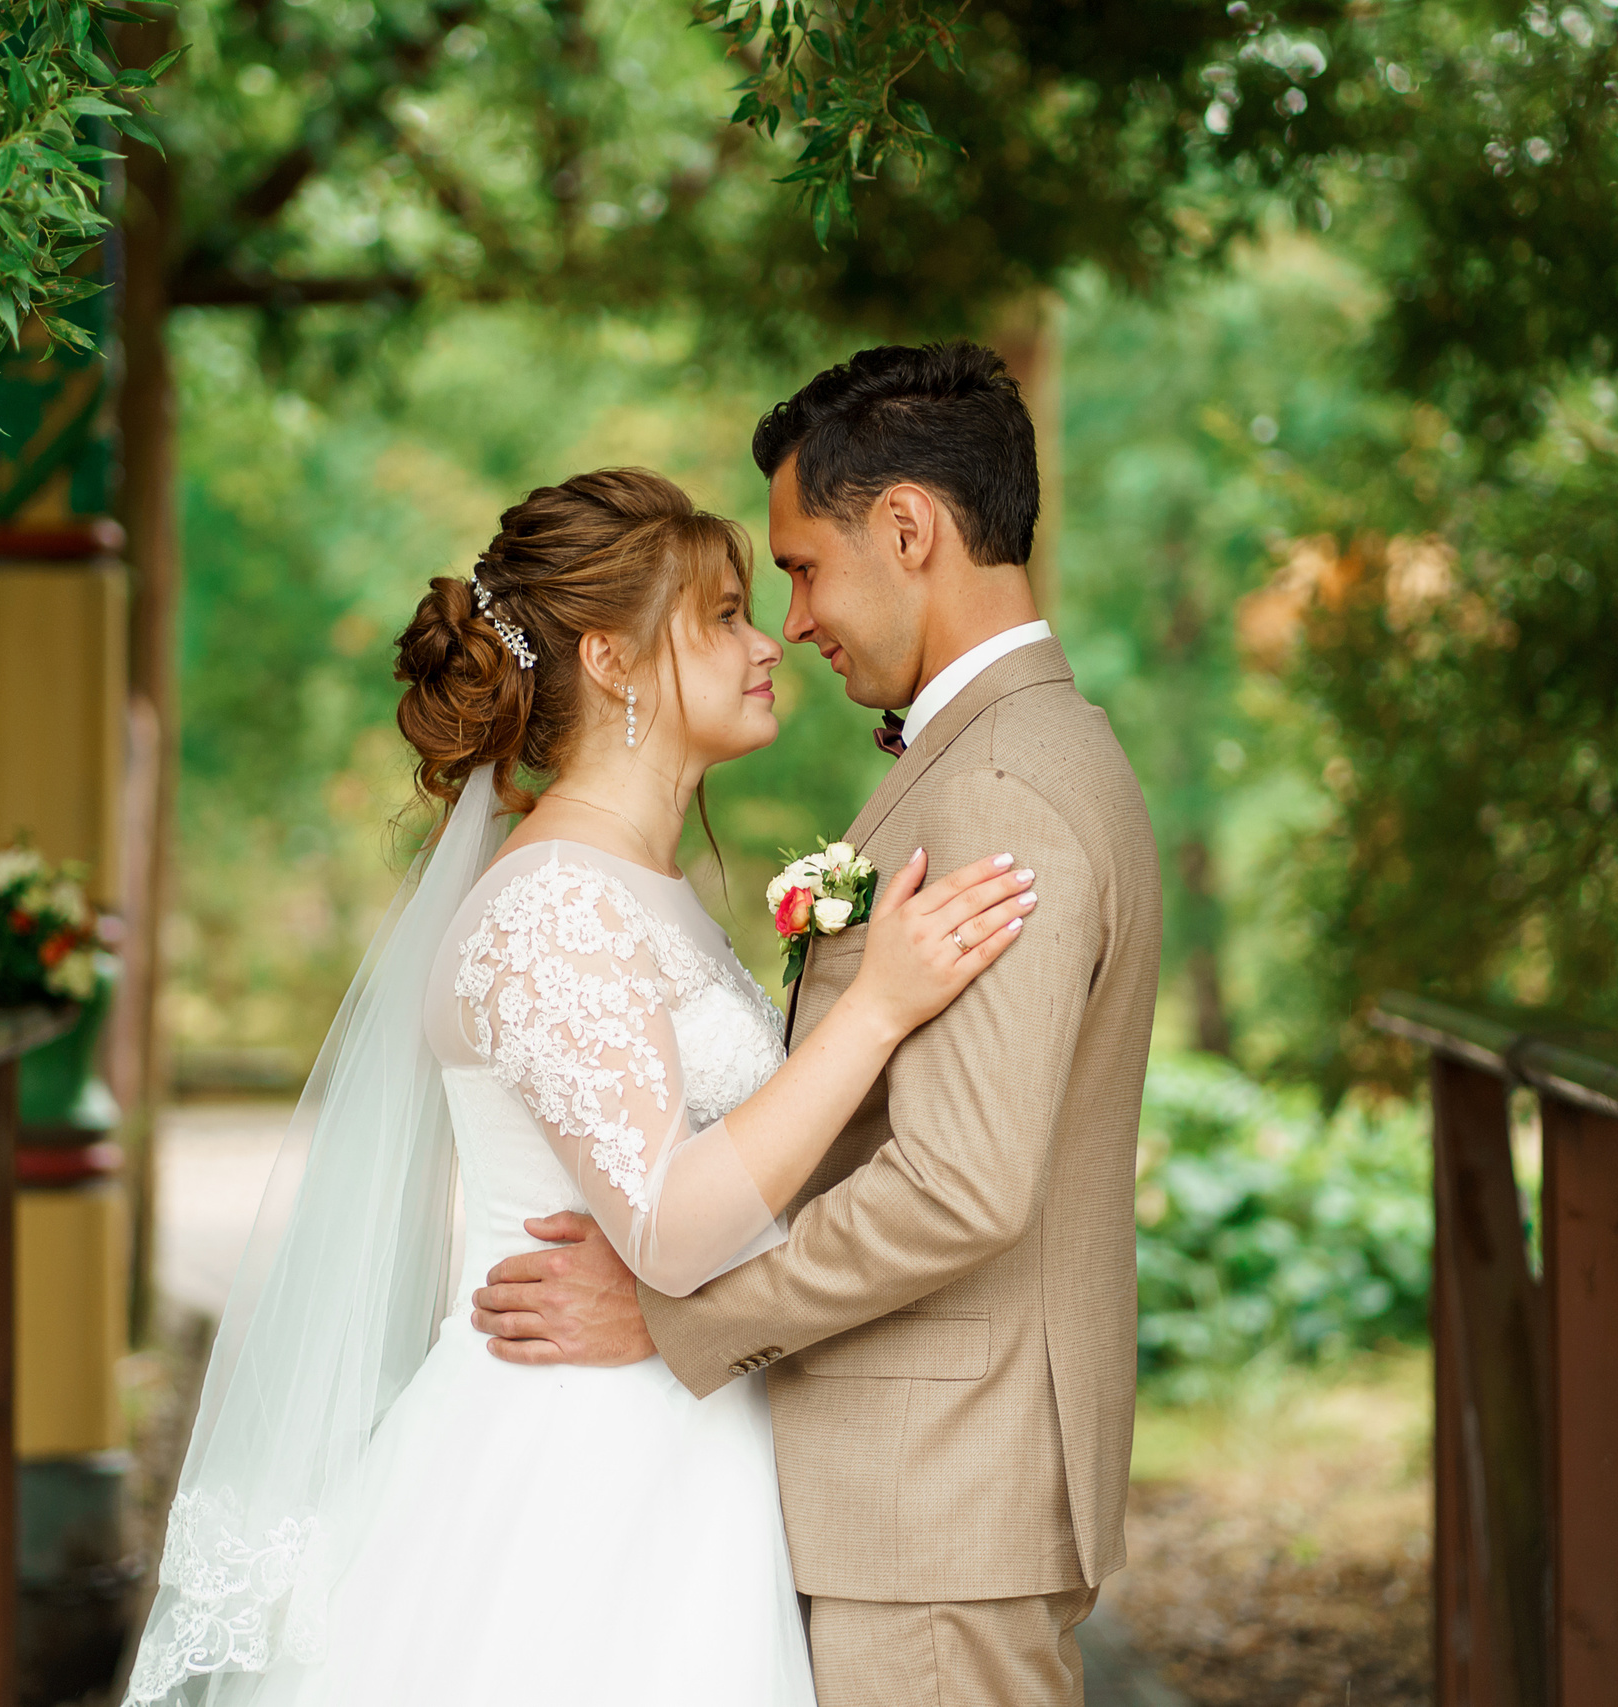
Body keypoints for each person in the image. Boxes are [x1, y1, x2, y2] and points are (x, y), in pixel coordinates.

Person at [123, 465, 1038, 1707]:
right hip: (575, 1477)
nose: (767, 641)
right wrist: (872, 1011)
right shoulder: (555, 904)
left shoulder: (636, 888)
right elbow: (663, 1228)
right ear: (609, 663)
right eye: (719, 614)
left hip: (668, 1443)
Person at [473, 342, 1163, 1707]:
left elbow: (957, 1182)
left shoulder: (1004, 786)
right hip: (909, 1485)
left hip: (933, 1493)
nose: (791, 622)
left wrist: (678, 1316)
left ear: (908, 527)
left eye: (796, 569)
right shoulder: (1007, 754)